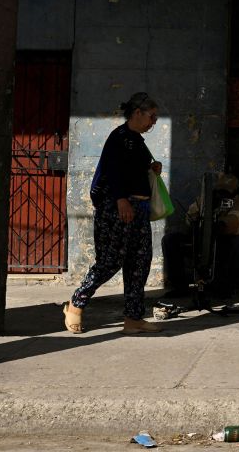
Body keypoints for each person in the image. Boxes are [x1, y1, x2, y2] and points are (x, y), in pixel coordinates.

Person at [62, 92, 164, 335]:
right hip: (119, 208)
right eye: (152, 117)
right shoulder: (119, 137)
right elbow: (113, 170)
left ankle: (133, 318)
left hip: (139, 209)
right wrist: (120, 200)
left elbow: (131, 170)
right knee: (110, 261)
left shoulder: (137, 141)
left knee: (139, 263)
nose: (153, 123)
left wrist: (151, 168)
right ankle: (76, 303)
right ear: (137, 113)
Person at [162, 172, 239, 298]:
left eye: (226, 192)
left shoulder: (236, 203)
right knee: (170, 240)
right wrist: (196, 219)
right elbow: (190, 217)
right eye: (219, 191)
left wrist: (221, 224)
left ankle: (220, 287)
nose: (221, 195)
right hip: (198, 240)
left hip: (219, 242)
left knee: (226, 246)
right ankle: (179, 287)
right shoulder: (205, 200)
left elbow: (236, 221)